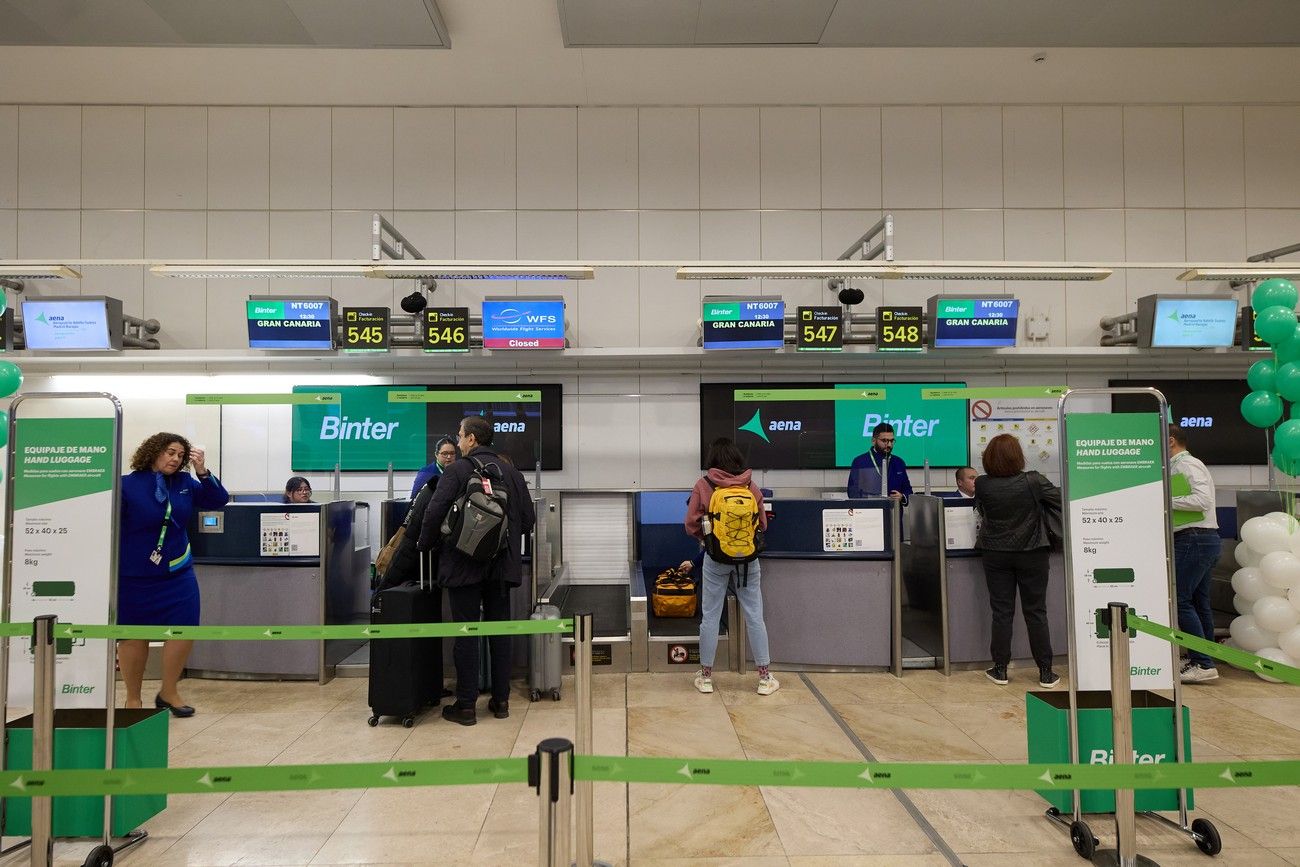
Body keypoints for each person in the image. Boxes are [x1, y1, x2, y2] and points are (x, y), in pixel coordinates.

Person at [418, 416, 535, 725]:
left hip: (462, 564)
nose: (457, 442)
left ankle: (467, 706)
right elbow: (528, 519)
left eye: (460, 436)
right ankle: (501, 701)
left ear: (471, 439)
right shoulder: (510, 472)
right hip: (501, 567)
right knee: (500, 633)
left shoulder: (457, 470)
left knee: (466, 633)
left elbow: (433, 513)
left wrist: (426, 546)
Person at [118, 433, 229, 716]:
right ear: (153, 451)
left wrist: (202, 472)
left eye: (180, 455)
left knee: (184, 629)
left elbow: (218, 499)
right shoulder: (127, 484)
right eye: (170, 452)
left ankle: (169, 691)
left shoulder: (184, 484)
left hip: (178, 571)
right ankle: (133, 698)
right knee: (133, 635)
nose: (175, 458)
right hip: (134, 574)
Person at [684, 437, 778, 696]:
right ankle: (764, 677)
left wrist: (709, 540)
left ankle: (705, 677)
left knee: (711, 616)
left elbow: (690, 524)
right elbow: (763, 525)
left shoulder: (703, 485)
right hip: (748, 561)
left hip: (715, 559)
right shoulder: (750, 485)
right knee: (755, 616)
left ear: (712, 459)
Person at [973, 433, 1060, 688]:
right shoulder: (1033, 480)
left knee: (1002, 612)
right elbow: (1059, 500)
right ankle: (1045, 672)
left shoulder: (982, 484)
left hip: (995, 554)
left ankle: (1000, 669)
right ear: (1017, 456)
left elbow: (981, 509)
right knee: (1036, 612)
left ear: (989, 457)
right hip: (1032, 552)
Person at [1168, 425, 1221, 684]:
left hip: (1194, 538)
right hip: (1199, 540)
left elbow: (1203, 501)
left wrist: (1166, 498)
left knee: (1180, 600)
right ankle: (1201, 658)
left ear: (1170, 441)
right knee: (1199, 603)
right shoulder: (1182, 466)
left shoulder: (1188, 465)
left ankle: (1204, 662)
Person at [847, 422, 914, 501]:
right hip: (869, 511)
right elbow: (852, 492)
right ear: (873, 440)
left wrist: (902, 497)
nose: (889, 445)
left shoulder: (899, 462)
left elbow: (908, 491)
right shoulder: (860, 462)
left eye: (891, 441)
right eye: (884, 441)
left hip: (894, 511)